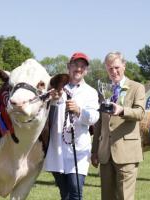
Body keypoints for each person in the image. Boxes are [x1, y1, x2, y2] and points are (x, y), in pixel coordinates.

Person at [44, 52, 100, 200]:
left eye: (82, 66)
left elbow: (94, 117)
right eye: (75, 65)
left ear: (86, 70)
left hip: (79, 149)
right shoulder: (56, 89)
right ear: (69, 66)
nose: (79, 69)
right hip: (57, 148)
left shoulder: (91, 92)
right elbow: (42, 113)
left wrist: (79, 111)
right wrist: (51, 101)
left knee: (75, 191)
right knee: (65, 193)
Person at [91, 51, 145, 200]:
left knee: (124, 197)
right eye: (110, 68)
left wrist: (122, 111)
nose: (114, 71)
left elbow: (140, 113)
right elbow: (99, 123)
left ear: (124, 66)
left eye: (116, 67)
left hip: (127, 154)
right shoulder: (103, 90)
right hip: (105, 154)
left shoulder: (137, 87)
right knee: (107, 197)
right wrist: (94, 150)